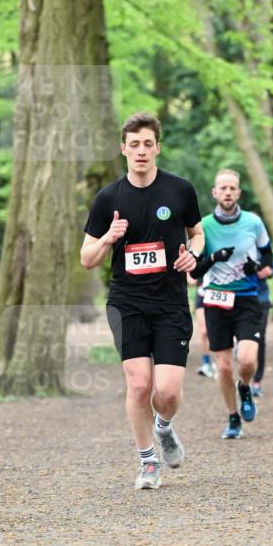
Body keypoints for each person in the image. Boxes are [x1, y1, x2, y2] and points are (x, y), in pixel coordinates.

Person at [80, 112, 204, 491]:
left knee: (165, 391)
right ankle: (148, 462)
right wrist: (107, 238)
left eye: (148, 144)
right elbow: (86, 258)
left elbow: (196, 233)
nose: (141, 151)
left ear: (157, 148)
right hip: (127, 301)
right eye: (134, 145)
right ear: (123, 150)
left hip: (170, 303)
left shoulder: (180, 190)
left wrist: (193, 256)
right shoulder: (109, 198)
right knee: (138, 386)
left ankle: (163, 427)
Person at [189, 169, 273, 439]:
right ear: (215, 192)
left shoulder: (254, 223)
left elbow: (268, 260)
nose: (227, 192)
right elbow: (193, 272)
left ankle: (245, 386)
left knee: (247, 360)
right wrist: (214, 258)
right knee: (224, 366)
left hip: (248, 299)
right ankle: (233, 417)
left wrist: (257, 267)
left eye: (232, 188)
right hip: (215, 301)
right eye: (222, 188)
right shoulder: (202, 226)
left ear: (239, 193)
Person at [252, 258, 273, 398]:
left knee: (260, 339)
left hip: (262, 300)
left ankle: (256, 380)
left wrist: (269, 271)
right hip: (239, 300)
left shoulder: (262, 243)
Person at [186, 275, 217, 379]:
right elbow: (191, 280)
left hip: (217, 296)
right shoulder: (196, 258)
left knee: (215, 330)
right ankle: (206, 363)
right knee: (204, 331)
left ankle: (218, 362)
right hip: (201, 297)